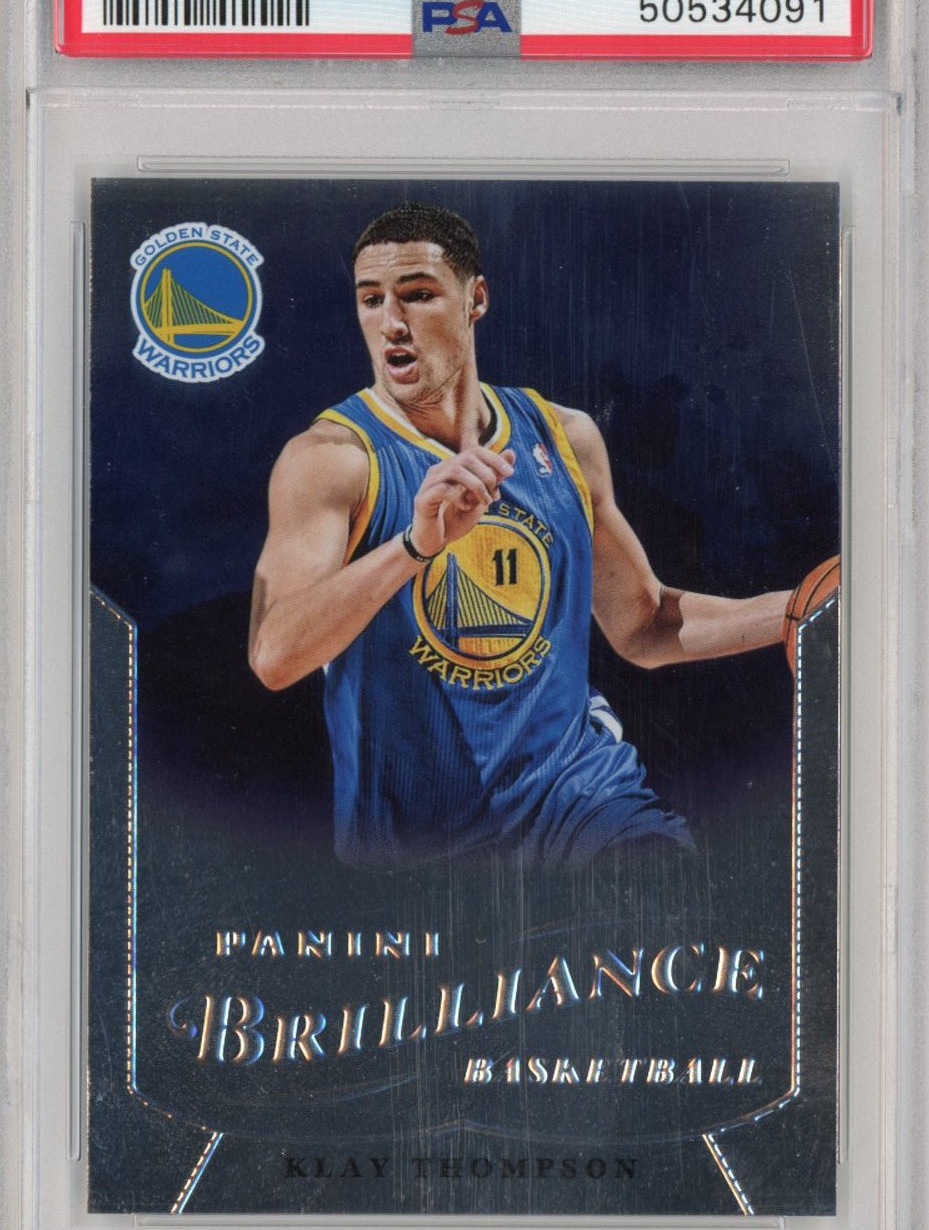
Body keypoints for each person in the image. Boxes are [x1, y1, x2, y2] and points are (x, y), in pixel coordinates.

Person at [249, 204, 791, 865]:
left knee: (662, 885)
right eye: (371, 300)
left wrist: (802, 611)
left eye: (417, 295)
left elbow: (644, 623)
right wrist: (414, 546)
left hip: (582, 805)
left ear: (474, 299)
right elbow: (275, 656)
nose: (391, 322)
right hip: (420, 848)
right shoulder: (332, 460)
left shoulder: (564, 436)